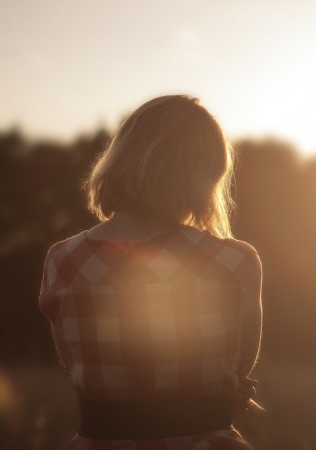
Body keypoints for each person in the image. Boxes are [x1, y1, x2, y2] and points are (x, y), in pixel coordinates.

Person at [38, 95, 263, 450]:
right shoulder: (234, 261)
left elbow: (74, 364)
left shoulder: (62, 260)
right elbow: (238, 367)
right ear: (204, 174)